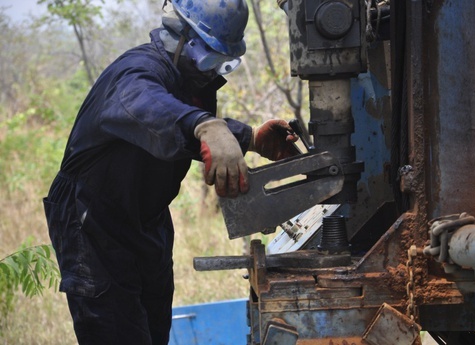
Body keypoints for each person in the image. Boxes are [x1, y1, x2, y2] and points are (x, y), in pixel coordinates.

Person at [42, 0, 299, 344]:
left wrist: (250, 138)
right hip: (93, 220)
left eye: (226, 63)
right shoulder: (136, 72)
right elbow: (151, 108)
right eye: (211, 58)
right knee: (117, 331)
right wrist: (206, 125)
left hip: (146, 219)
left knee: (152, 326)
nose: (213, 70)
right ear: (179, 35)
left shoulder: (191, 76)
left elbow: (181, 123)